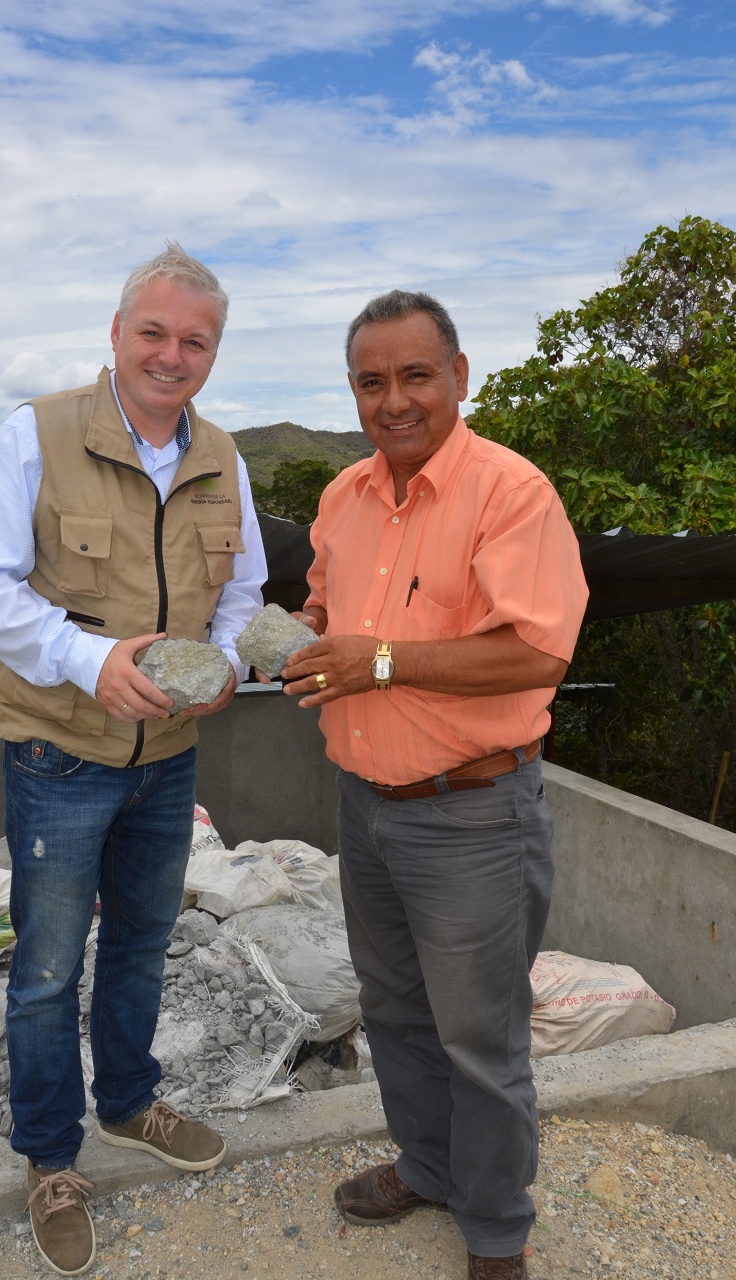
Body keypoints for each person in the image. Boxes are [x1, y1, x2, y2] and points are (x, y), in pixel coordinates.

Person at [0, 243, 266, 1277]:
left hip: (168, 755)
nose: (172, 355)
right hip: (59, 752)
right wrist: (88, 661)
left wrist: (221, 661)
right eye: (154, 333)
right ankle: (50, 1155)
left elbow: (245, 591)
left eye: (194, 340)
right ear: (117, 333)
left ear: (213, 353)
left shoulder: (223, 455)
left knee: (139, 941)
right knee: (45, 970)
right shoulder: (34, 435)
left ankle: (129, 1101)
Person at [279, 290, 588, 1280]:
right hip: (368, 807)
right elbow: (329, 610)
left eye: (416, 374)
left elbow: (535, 652)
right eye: (372, 380)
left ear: (461, 375)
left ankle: (498, 1231)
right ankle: (428, 1164)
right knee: (398, 1011)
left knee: (481, 1037)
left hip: (473, 815)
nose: (395, 398)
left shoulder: (511, 493)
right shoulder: (344, 498)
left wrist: (379, 663)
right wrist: (272, 634)